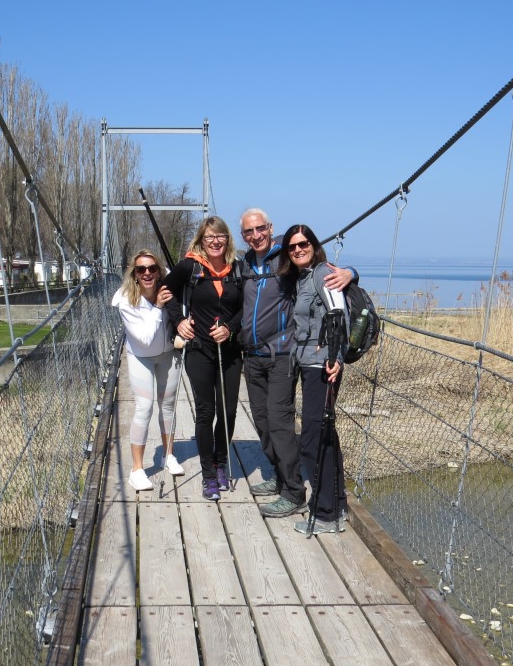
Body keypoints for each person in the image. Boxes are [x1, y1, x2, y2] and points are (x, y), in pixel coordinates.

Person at [239, 208, 354, 518]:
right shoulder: (245, 263)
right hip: (252, 356)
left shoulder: (286, 260)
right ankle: (280, 476)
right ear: (243, 235)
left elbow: (328, 281)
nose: (255, 235)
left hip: (283, 356)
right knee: (263, 422)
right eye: (249, 231)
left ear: (270, 228)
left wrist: (351, 272)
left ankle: (294, 491)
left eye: (260, 228)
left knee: (280, 422)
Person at [163, 216, 243, 501]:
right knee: (206, 411)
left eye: (220, 236)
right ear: (201, 240)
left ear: (227, 239)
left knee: (228, 411)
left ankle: (221, 463)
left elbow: (246, 307)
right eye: (209, 237)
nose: (215, 241)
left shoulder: (238, 269)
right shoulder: (190, 266)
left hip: (230, 350)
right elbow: (165, 292)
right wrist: (179, 322)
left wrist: (230, 328)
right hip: (199, 350)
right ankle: (209, 474)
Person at [277, 224, 347, 534]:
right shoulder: (303, 278)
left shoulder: (322, 274)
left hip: (323, 367)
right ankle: (337, 506)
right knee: (325, 436)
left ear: (314, 245)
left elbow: (339, 316)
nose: (298, 250)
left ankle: (325, 514)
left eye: (303, 244)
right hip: (309, 364)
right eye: (292, 246)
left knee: (311, 440)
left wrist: (337, 358)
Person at [112, 249, 184, 492]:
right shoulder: (125, 300)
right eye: (141, 269)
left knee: (168, 405)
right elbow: (144, 339)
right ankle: (137, 470)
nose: (147, 273)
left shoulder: (168, 286)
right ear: (134, 273)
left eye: (152, 268)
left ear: (159, 271)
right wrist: (158, 307)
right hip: (140, 357)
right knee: (144, 407)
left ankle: (168, 455)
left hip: (168, 354)